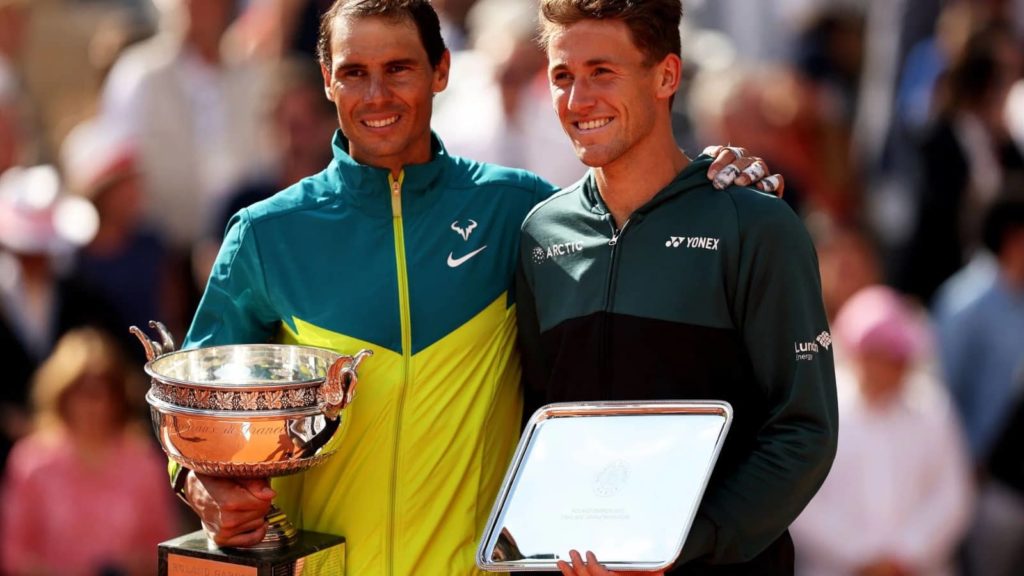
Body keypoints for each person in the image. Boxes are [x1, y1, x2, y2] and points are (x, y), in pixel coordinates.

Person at [178, 1, 783, 574]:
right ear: (327, 80)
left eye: (399, 69)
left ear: (442, 70)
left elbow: (626, 212)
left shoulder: (519, 209)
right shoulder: (265, 233)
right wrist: (207, 494)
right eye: (354, 72)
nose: (376, 95)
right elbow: (189, 421)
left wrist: (708, 183)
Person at [516, 1, 837, 574]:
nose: (577, 100)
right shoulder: (540, 235)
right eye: (562, 76)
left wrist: (679, 546)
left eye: (602, 72)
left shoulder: (756, 226)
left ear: (666, 75)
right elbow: (542, 423)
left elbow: (803, 432)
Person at [791, 286, 973, 576]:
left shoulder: (932, 406)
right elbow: (800, 500)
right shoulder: (820, 408)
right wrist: (861, 556)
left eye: (898, 356)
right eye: (881, 355)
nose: (893, 366)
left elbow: (953, 495)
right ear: (859, 355)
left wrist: (907, 554)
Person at [0, 327, 177, 575]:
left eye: (105, 390)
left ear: (119, 397)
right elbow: (13, 553)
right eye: (82, 391)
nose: (95, 403)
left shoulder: (143, 462)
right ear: (62, 393)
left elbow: (162, 548)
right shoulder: (31, 461)